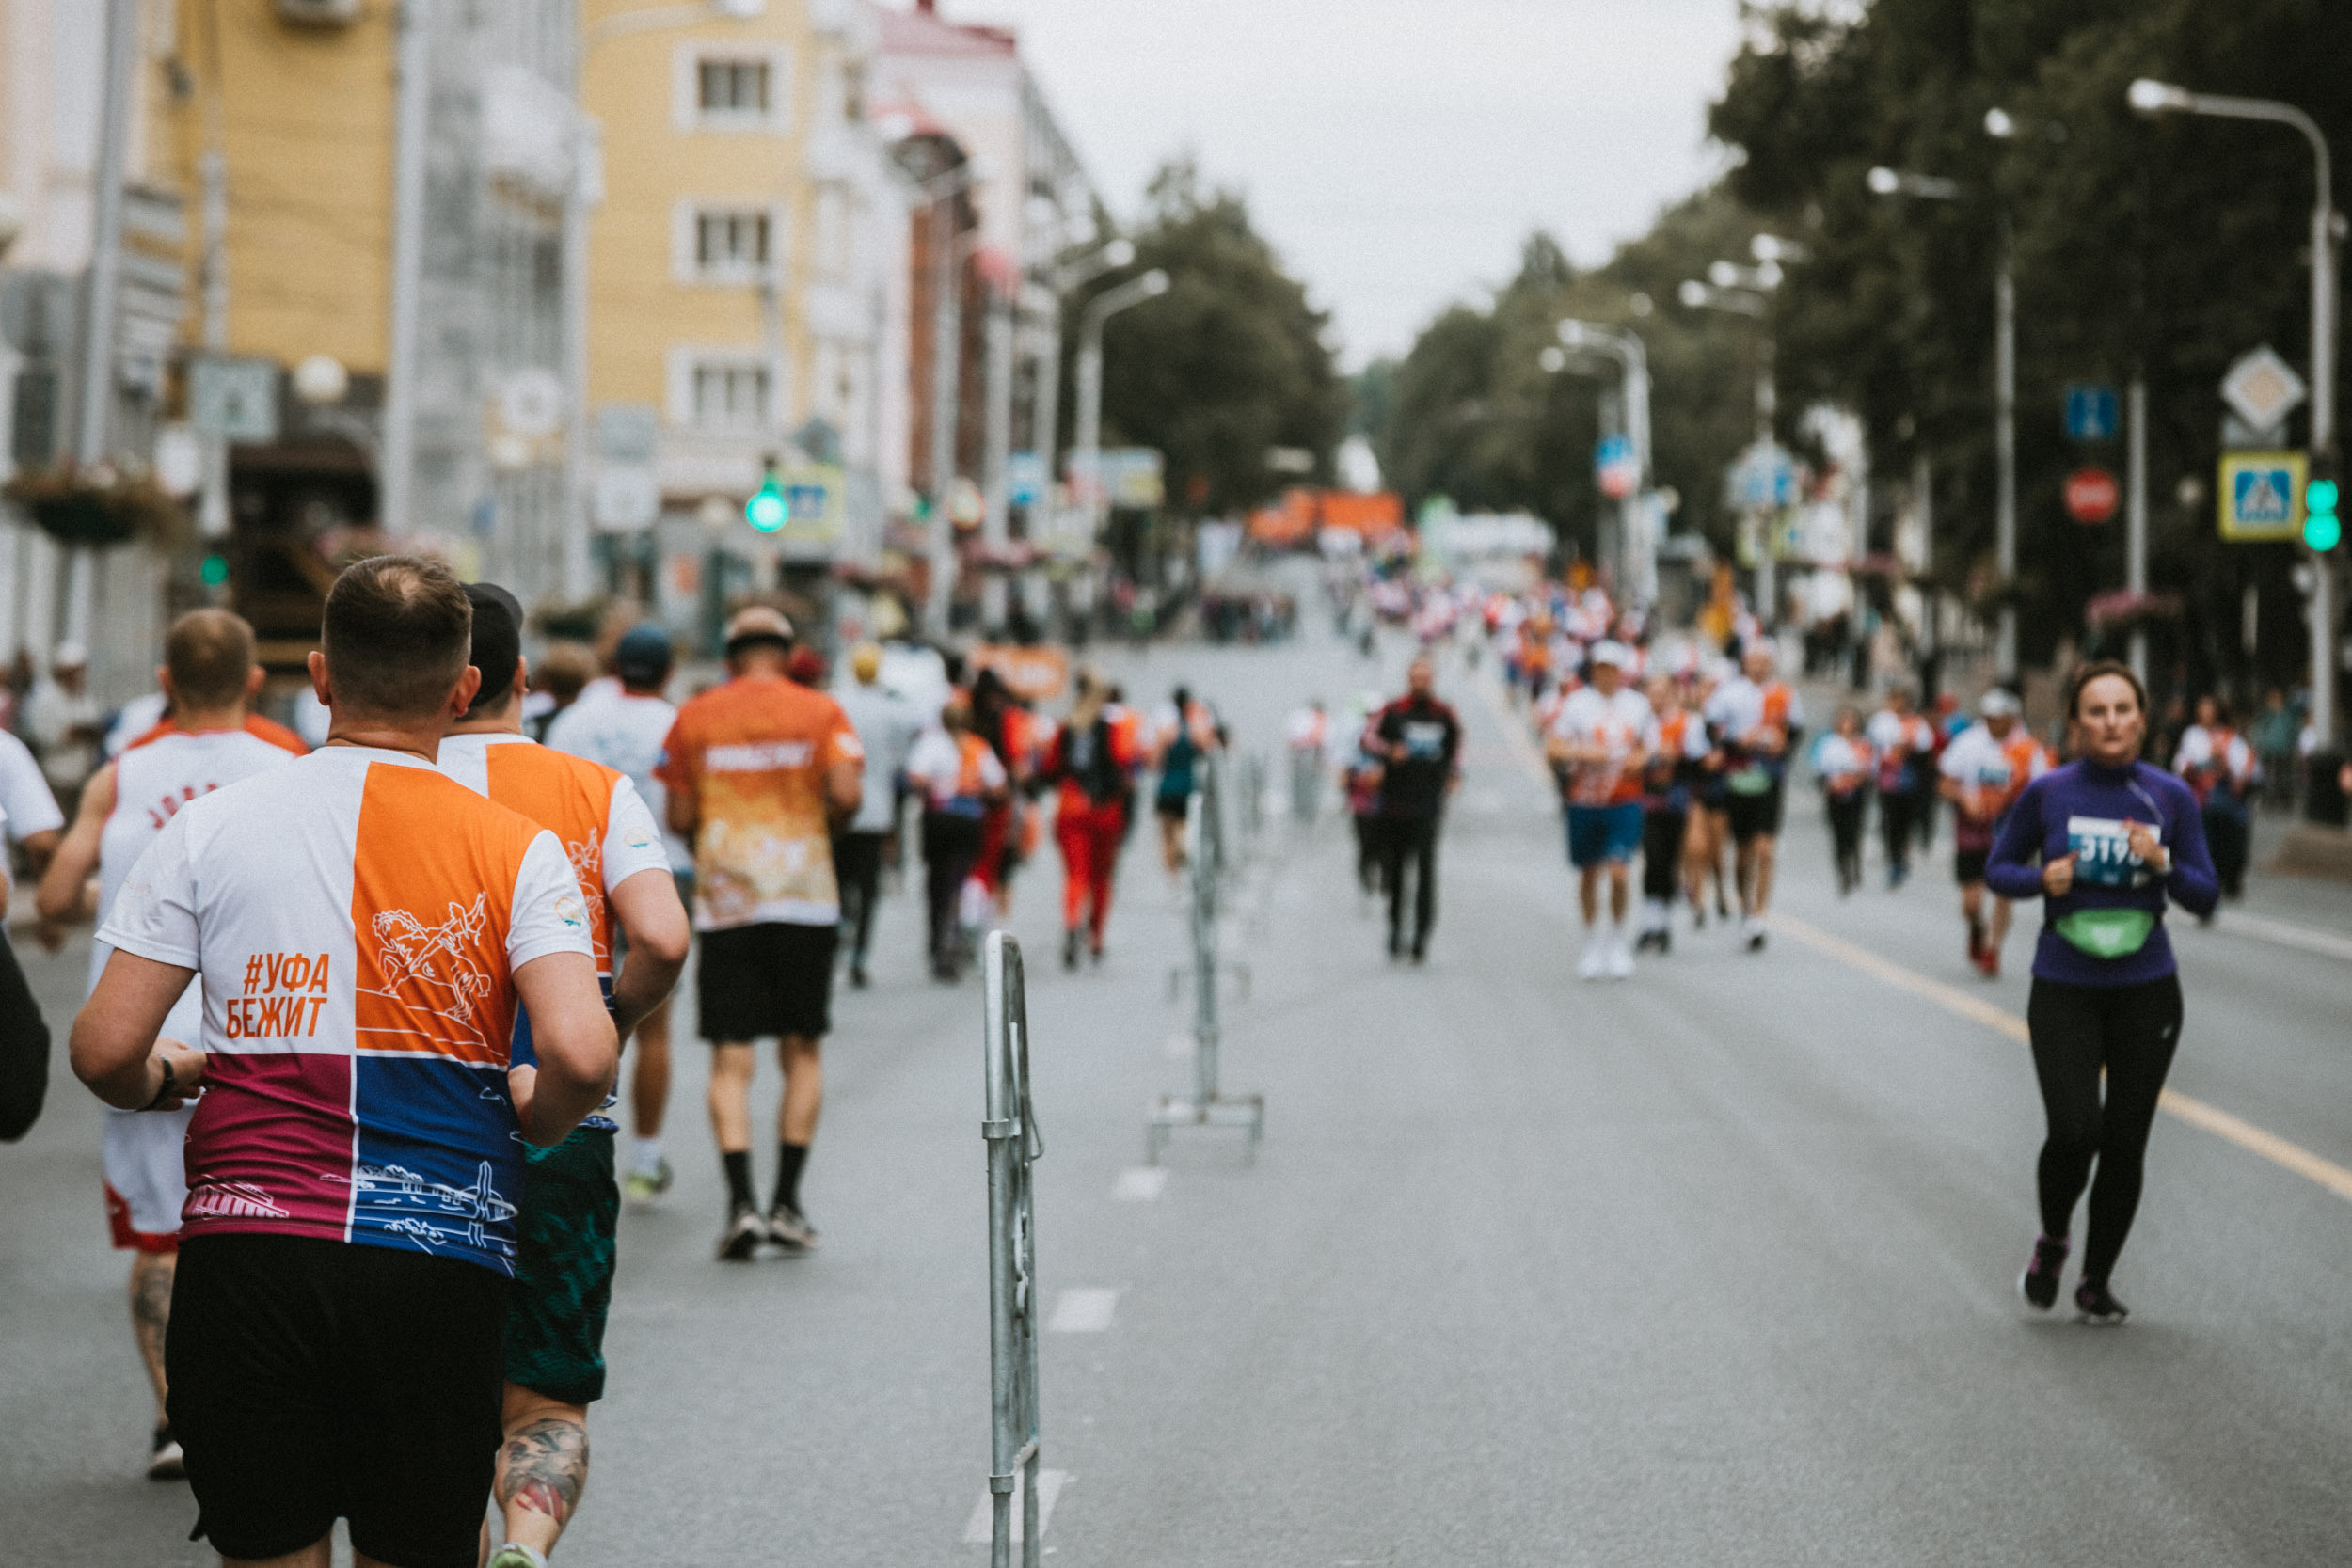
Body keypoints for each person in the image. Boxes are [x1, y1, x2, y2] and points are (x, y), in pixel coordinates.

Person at [69, 555, 617, 1568]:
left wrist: (166, 1078)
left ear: (320, 675)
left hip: (248, 1249)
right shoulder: (519, 846)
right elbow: (582, 1052)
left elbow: (104, 1048)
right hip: (438, 1252)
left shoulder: (208, 827)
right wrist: (528, 1114)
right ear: (463, 690)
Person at [437, 585, 690, 1568]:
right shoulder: (591, 787)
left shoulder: (388, 784)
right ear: (521, 681)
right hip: (562, 1120)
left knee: (432, 1398)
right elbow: (662, 937)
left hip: (418, 1122)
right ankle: (529, 1540)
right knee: (544, 1393)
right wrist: (609, 1018)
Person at [35, 609, 304, 1480]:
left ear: (164, 679)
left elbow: (55, 898)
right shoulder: (290, 768)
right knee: (270, 1224)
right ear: (255, 680)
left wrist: (94, 905)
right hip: (261, 1024)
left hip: (145, 1035)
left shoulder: (121, 774)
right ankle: (265, 1404)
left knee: (162, 1239)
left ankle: (172, 1420)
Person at [1988, 661, 2217, 1324]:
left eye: (2123, 709)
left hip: (2147, 989)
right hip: (2065, 984)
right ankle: (2055, 1237)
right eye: (2097, 710)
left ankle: (2096, 1278)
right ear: (2076, 722)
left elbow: (2205, 893)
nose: (2111, 721)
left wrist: (2162, 861)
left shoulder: (2169, 796)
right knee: (2074, 1129)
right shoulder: (2049, 792)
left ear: (2143, 718)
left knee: (2124, 1140)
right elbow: (2000, 867)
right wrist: (2043, 880)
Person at [658, 607, 864, 1260]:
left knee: (730, 1056)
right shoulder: (823, 712)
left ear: (731, 651)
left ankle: (741, 1203)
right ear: (787, 650)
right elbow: (850, 795)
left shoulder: (695, 716)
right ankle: (788, 1203)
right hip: (805, 896)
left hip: (727, 901)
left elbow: (680, 810)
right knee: (802, 1049)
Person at [546, 622, 691, 1205]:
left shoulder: (577, 719)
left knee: (563, 1013)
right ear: (668, 673)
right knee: (653, 1026)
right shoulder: (675, 723)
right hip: (660, 872)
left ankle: (562, 1142)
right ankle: (645, 1160)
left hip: (577, 874)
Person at [1546, 642, 1655, 980]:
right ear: (1593, 669)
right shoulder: (1577, 704)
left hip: (1624, 799)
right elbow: (1554, 747)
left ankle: (1618, 940)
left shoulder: (1637, 705)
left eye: (1612, 668)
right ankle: (1592, 942)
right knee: (1589, 874)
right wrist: (1585, 752)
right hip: (1585, 800)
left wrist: (1637, 760)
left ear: (1621, 672)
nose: (1606, 673)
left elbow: (1650, 748)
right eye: (1600, 667)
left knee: (1620, 872)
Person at [1940, 689, 2051, 978]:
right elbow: (1945, 783)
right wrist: (1965, 799)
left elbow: (2043, 792)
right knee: (1971, 902)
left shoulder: (2027, 750)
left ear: (2012, 719)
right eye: (1989, 718)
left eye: (1999, 719)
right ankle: (1977, 928)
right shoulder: (1969, 743)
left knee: (2004, 892)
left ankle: (1993, 948)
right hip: (1971, 829)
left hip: (2009, 831)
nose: (1993, 723)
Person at [832, 642, 921, 989]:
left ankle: (839, 926)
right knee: (868, 888)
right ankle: (860, 954)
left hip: (840, 807)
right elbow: (903, 754)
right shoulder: (892, 709)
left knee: (838, 879)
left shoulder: (838, 702)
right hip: (876, 809)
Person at [1704, 642, 1804, 951]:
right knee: (1744, 849)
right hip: (1737, 778)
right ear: (1745, 664)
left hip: (1770, 777)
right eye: (1753, 662)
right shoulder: (1729, 693)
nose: (1758, 667)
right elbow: (1711, 730)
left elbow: (1796, 732)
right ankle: (1745, 908)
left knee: (1765, 848)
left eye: (1764, 662)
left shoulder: (1784, 694)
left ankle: (1759, 916)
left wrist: (1783, 747)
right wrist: (1735, 740)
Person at [905, 691, 1008, 980]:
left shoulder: (931, 744)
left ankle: (938, 940)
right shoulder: (978, 747)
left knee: (936, 881)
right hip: (968, 821)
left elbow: (915, 776)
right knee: (958, 881)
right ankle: (951, 936)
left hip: (938, 820)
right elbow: (998, 785)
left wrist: (937, 787)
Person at [1367, 654, 1462, 961]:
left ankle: (1422, 934)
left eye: (1426, 677)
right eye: (1416, 677)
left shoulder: (1443, 713)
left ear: (1432, 680)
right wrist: (1389, 751)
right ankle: (1395, 926)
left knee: (1425, 872)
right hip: (1395, 803)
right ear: (1409, 679)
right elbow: (1367, 738)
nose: (1421, 682)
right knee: (1395, 871)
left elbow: (1455, 749)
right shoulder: (1393, 711)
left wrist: (1453, 776)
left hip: (1428, 804)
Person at [1041, 673, 1139, 968]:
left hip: (1071, 806)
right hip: (1106, 810)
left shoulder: (1064, 728)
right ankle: (1095, 935)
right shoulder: (1114, 729)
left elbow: (1050, 767)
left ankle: (1072, 923)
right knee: (1101, 877)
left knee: (1075, 874)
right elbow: (1127, 765)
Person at [1635, 673, 1708, 953]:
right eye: (1652, 692)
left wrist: (1675, 757)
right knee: (1652, 857)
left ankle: (1662, 923)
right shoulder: (1640, 723)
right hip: (1646, 798)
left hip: (1676, 799)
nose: (1657, 698)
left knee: (1668, 860)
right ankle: (1649, 920)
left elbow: (1699, 762)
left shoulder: (1687, 723)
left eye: (1662, 692)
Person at [2173, 695, 2257, 904]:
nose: (2206, 713)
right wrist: (2199, 765)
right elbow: (2181, 764)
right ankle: (2210, 881)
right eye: (2202, 708)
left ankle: (2229, 880)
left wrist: (2225, 763)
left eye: (2210, 708)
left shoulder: (2230, 737)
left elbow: (2246, 769)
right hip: (2202, 799)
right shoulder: (2192, 734)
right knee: (2206, 841)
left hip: (2226, 799)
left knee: (2229, 841)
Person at [1866, 685, 1933, 888]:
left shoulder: (1916, 722)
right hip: (1887, 779)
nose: (1898, 704)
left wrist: (1907, 748)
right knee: (1889, 820)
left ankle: (1902, 855)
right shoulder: (1881, 721)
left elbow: (1925, 746)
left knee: (1905, 822)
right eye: (1895, 699)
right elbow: (1871, 747)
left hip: (1909, 779)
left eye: (1902, 700)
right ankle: (1894, 858)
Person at [1811, 705, 1874, 896]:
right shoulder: (1829, 744)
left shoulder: (1862, 744)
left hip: (1856, 795)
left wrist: (1856, 780)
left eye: (1850, 721)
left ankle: (1855, 862)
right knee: (1838, 835)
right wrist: (1830, 785)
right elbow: (1820, 771)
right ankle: (1843, 872)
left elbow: (1870, 771)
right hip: (1835, 796)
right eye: (1843, 720)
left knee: (1854, 831)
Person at [25, 641, 101, 797]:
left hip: (81, 777)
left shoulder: (86, 699)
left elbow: (94, 725)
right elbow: (38, 735)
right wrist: (66, 735)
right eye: (73, 671)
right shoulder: (47, 698)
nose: (78, 675)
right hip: (55, 777)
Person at [1152, 686, 1210, 877]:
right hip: (1189, 787)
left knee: (1167, 837)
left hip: (1167, 788)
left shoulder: (1167, 732)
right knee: (1184, 830)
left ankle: (1174, 876)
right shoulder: (1196, 733)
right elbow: (1209, 753)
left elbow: (1155, 762)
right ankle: (1184, 860)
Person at [1284, 700, 1328, 822]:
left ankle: (1305, 810)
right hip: (1309, 755)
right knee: (1308, 786)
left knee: (1306, 786)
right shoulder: (1314, 718)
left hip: (1307, 755)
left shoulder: (1302, 717)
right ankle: (1307, 810)